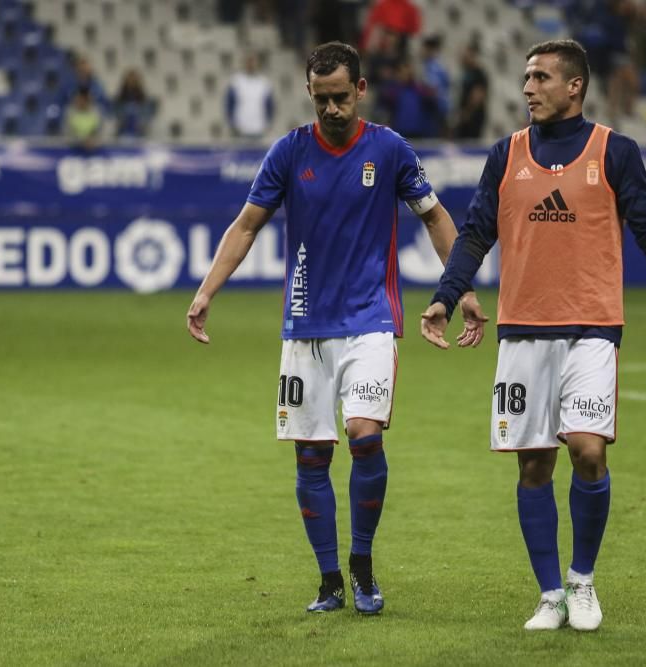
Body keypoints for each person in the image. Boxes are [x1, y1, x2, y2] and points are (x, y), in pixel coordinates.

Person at [187, 41, 485, 615]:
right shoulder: (287, 152)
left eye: (341, 97)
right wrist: (206, 292)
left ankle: (363, 567)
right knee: (310, 457)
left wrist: (463, 288)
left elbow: (437, 217)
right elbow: (246, 225)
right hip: (304, 326)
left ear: (361, 91)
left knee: (365, 435)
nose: (331, 109)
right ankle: (328, 581)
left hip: (371, 319)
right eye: (321, 98)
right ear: (309, 93)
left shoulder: (390, 150)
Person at [420, 39, 646, 632]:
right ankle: (549, 594)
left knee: (587, 448)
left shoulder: (616, 152)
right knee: (532, 468)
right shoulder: (506, 154)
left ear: (574, 86)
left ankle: (582, 581)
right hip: (522, 332)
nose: (528, 87)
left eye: (540, 77)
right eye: (526, 77)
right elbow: (475, 234)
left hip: (592, 329)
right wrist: (445, 299)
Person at [225, 52, 274, 140]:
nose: (251, 64)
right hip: (241, 129)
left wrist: (268, 123)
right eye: (249, 62)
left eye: (253, 62)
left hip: (259, 128)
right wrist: (232, 123)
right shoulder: (236, 81)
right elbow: (229, 104)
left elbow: (270, 106)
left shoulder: (264, 83)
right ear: (244, 63)